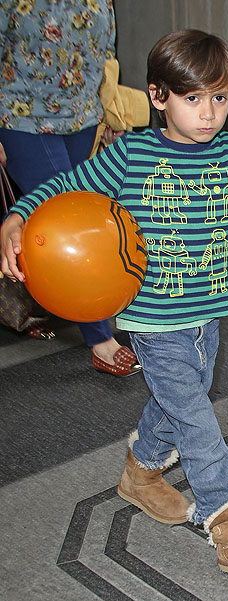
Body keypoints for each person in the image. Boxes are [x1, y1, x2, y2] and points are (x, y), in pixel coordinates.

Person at [1, 29, 228, 579]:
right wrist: (16, 216)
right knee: (197, 420)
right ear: (158, 96)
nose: (208, 112)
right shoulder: (131, 155)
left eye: (219, 98)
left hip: (207, 317)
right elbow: (62, 187)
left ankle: (141, 471)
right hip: (153, 322)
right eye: (192, 97)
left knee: (179, 403)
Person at [0, 0, 140, 375]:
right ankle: (100, 338)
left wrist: (109, 112)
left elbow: (105, 54)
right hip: (22, 117)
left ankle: (45, 298)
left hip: (83, 118)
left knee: (55, 221)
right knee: (67, 220)